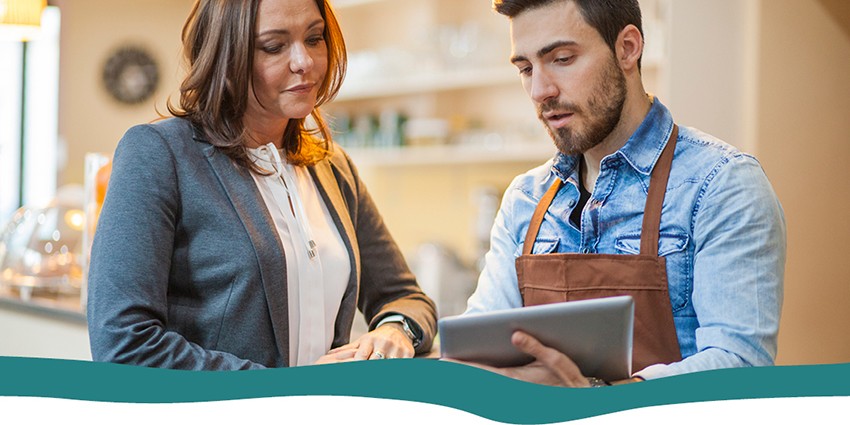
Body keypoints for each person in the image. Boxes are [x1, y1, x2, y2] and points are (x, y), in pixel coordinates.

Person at [86, 0, 436, 370]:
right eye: (274, 46)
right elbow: (124, 344)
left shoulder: (334, 168)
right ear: (226, 55)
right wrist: (284, 392)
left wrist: (395, 329)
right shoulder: (159, 154)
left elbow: (405, 296)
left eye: (315, 38)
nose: (304, 62)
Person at [461, 0, 785, 386]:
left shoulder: (723, 185)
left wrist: (605, 397)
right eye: (526, 69)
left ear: (627, 48)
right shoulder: (525, 200)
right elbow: (478, 350)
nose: (539, 90)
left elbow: (740, 364)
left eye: (562, 59)